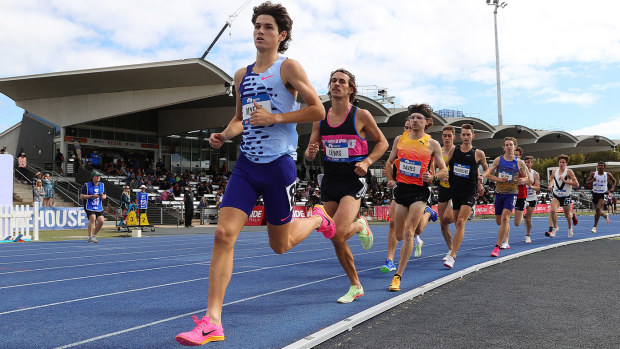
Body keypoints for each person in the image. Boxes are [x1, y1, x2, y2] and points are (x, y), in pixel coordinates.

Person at [175, 3, 334, 345]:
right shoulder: (240, 75)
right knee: (223, 234)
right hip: (246, 165)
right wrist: (224, 134)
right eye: (257, 26)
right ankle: (212, 321)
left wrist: (276, 118)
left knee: (281, 245)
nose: (260, 31)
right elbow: (240, 118)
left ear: (282, 35)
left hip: (278, 166)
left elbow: (317, 109)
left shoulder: (287, 68)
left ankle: (319, 218)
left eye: (268, 27)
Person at [304, 68, 388, 303]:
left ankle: (360, 226)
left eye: (342, 81)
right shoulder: (320, 117)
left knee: (339, 233)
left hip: (353, 179)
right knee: (332, 235)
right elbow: (310, 155)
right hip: (330, 179)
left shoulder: (361, 115)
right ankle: (356, 285)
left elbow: (382, 142)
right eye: (333, 81)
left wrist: (368, 161)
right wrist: (310, 152)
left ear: (351, 89)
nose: (336, 84)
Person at [385, 104, 447, 292]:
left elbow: (444, 170)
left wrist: (433, 177)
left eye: (419, 118)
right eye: (412, 118)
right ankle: (427, 213)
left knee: (409, 232)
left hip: (420, 190)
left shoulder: (432, 144)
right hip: (402, 189)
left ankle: (398, 276)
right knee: (398, 234)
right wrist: (389, 178)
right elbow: (389, 161)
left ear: (427, 122)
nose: (414, 121)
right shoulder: (399, 139)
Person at [442, 123, 488, 268]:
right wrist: (443, 174)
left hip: (470, 190)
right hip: (455, 190)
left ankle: (452, 256)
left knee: (461, 222)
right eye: (464, 134)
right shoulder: (454, 150)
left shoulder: (478, 153)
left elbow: (487, 169)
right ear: (460, 136)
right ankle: (454, 249)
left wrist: (482, 179)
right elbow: (444, 165)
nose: (466, 137)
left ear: (472, 136)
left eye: (469, 134)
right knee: (457, 224)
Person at [483, 137, 530, 257]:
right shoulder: (498, 160)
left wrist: (522, 180)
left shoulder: (520, 162)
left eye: (511, 145)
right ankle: (504, 236)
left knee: (505, 218)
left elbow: (529, 179)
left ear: (514, 147)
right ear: (504, 147)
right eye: (507, 145)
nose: (509, 147)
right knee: (499, 221)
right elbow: (488, 174)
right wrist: (499, 179)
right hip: (499, 193)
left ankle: (497, 247)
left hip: (512, 193)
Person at [502, 146, 531, 249]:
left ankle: (523, 212)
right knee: (505, 217)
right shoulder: (505, 164)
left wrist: (523, 181)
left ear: (520, 156)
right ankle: (506, 241)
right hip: (509, 193)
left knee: (517, 223)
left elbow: (530, 181)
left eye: (517, 155)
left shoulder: (522, 166)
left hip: (521, 194)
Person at [545, 154, 579, 238]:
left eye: (563, 162)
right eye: (560, 162)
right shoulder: (554, 171)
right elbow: (552, 178)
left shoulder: (569, 172)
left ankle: (570, 228)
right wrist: (550, 185)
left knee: (567, 215)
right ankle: (555, 228)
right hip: (556, 195)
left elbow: (576, 184)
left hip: (566, 196)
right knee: (552, 211)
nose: (561, 164)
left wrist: (566, 181)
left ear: (566, 163)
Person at [437, 125, 456, 261]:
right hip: (443, 188)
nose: (447, 138)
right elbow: (433, 171)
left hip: (456, 189)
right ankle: (451, 249)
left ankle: (466, 210)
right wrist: (439, 175)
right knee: (443, 223)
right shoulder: (438, 153)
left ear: (454, 137)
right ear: (442, 137)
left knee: (448, 218)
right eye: (445, 135)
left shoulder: (458, 151)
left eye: (450, 135)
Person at [585, 161, 616, 233]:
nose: (600, 167)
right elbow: (587, 182)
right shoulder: (593, 174)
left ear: (604, 167)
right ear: (597, 166)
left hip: (604, 193)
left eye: (601, 166)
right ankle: (605, 216)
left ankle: (594, 227)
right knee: (597, 210)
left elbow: (614, 181)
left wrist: (612, 188)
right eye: (599, 165)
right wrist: (592, 180)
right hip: (595, 193)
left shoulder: (607, 174)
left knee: (598, 208)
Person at [80, 171, 107, 243]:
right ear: (92, 177)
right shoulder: (87, 185)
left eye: (99, 176)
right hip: (89, 205)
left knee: (101, 221)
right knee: (93, 218)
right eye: (96, 176)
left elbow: (105, 195)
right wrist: (92, 196)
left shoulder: (102, 185)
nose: (98, 177)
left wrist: (103, 197)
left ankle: (94, 235)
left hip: (98, 206)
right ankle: (89, 236)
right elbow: (81, 196)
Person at [521, 156, 541, 243]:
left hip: (532, 198)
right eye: (525, 162)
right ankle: (523, 216)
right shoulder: (520, 173)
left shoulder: (535, 174)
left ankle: (528, 235)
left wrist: (531, 186)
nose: (526, 164)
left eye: (528, 162)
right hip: (522, 197)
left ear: (532, 163)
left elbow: (538, 188)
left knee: (528, 219)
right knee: (520, 216)